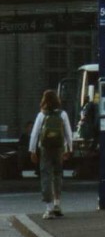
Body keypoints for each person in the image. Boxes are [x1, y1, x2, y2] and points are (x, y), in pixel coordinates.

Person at [29, 90, 72, 219]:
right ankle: (57, 204)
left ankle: (49, 208)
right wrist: (69, 148)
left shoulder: (41, 115)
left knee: (46, 175)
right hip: (59, 147)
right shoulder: (63, 114)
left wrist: (32, 150)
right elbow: (68, 133)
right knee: (58, 174)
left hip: (45, 148)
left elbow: (35, 133)